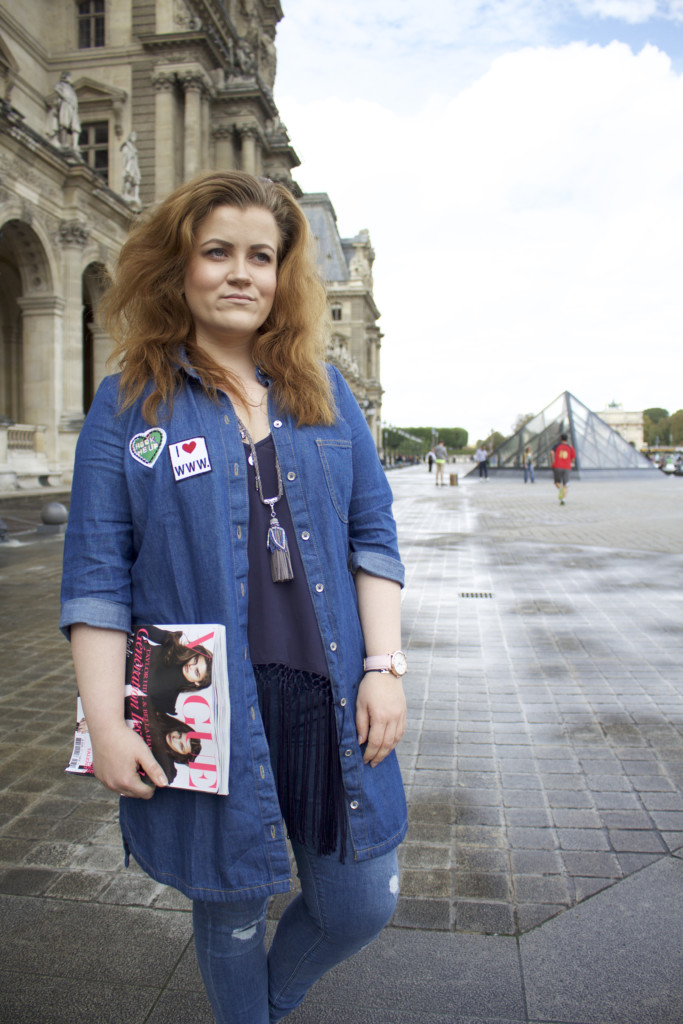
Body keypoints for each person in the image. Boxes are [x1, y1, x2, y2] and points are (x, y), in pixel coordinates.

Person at [60, 171, 408, 1024]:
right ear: (178, 266)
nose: (241, 272)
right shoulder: (128, 403)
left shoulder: (324, 393)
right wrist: (108, 726)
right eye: (217, 251)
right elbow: (98, 576)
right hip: (199, 701)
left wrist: (384, 666)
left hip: (327, 692)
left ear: (282, 274)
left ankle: (267, 1007)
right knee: (230, 907)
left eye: (262, 255)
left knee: (360, 902)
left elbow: (373, 537)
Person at [134, 625, 213, 715]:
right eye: (195, 660)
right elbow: (141, 629)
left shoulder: (168, 702)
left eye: (196, 672)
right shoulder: (172, 644)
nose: (191, 666)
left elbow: (133, 706)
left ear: (198, 683)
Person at [551, 432, 576, 504]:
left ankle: (560, 489)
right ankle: (563, 499)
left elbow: (552, 453)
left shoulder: (556, 445)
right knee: (566, 484)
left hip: (557, 466)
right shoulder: (570, 447)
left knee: (557, 482)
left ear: (560, 438)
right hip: (567, 467)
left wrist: (552, 461)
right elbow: (573, 459)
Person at [120, 131, 141, 205]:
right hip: (129, 164)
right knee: (128, 178)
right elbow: (125, 156)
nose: (134, 138)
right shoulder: (126, 146)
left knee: (136, 179)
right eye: (133, 136)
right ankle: (125, 193)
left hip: (133, 164)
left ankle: (135, 196)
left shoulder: (132, 147)